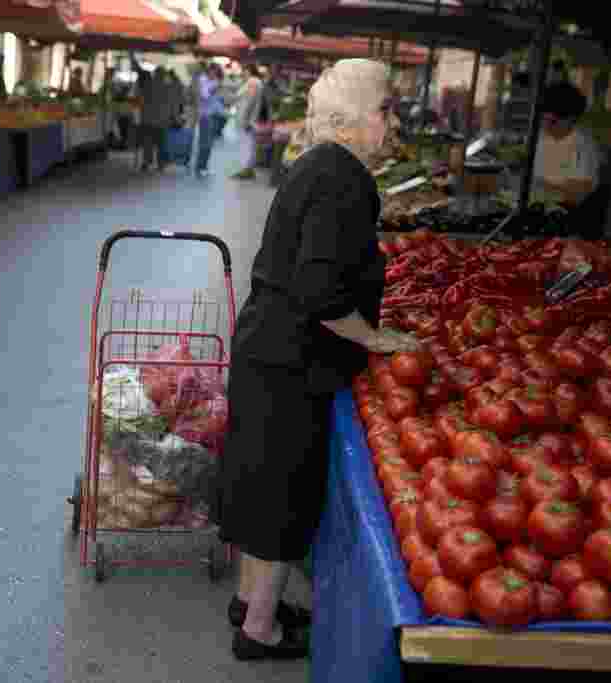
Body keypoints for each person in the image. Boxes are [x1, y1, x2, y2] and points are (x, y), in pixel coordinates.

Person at [213, 58, 420, 662]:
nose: (392, 121)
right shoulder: (346, 178)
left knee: (258, 485)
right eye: (385, 108)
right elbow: (321, 292)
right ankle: (259, 631)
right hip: (292, 363)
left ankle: (252, 600)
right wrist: (376, 338)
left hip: (266, 350)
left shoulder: (317, 164)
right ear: (354, 116)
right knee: (283, 498)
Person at [533, 81, 604, 237]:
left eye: (552, 121)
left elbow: (576, 196)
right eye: (543, 119)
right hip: (538, 210)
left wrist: (541, 186)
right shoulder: (542, 139)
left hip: (564, 219)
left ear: (571, 118)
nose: (546, 126)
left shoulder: (584, 146)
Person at [231, 65, 265, 180]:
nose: (242, 73)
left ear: (248, 70)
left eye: (244, 70)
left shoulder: (253, 82)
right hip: (248, 119)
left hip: (246, 120)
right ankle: (247, 169)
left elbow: (249, 101)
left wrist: (245, 120)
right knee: (249, 145)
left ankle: (245, 170)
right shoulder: (254, 82)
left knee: (246, 145)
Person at [194, 63, 225, 178]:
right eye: (213, 72)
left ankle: (204, 167)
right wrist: (214, 88)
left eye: (217, 72)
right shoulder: (203, 80)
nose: (214, 74)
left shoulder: (215, 81)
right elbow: (204, 95)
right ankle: (200, 167)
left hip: (213, 115)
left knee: (209, 143)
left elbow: (216, 100)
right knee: (204, 143)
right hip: (204, 115)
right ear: (209, 71)